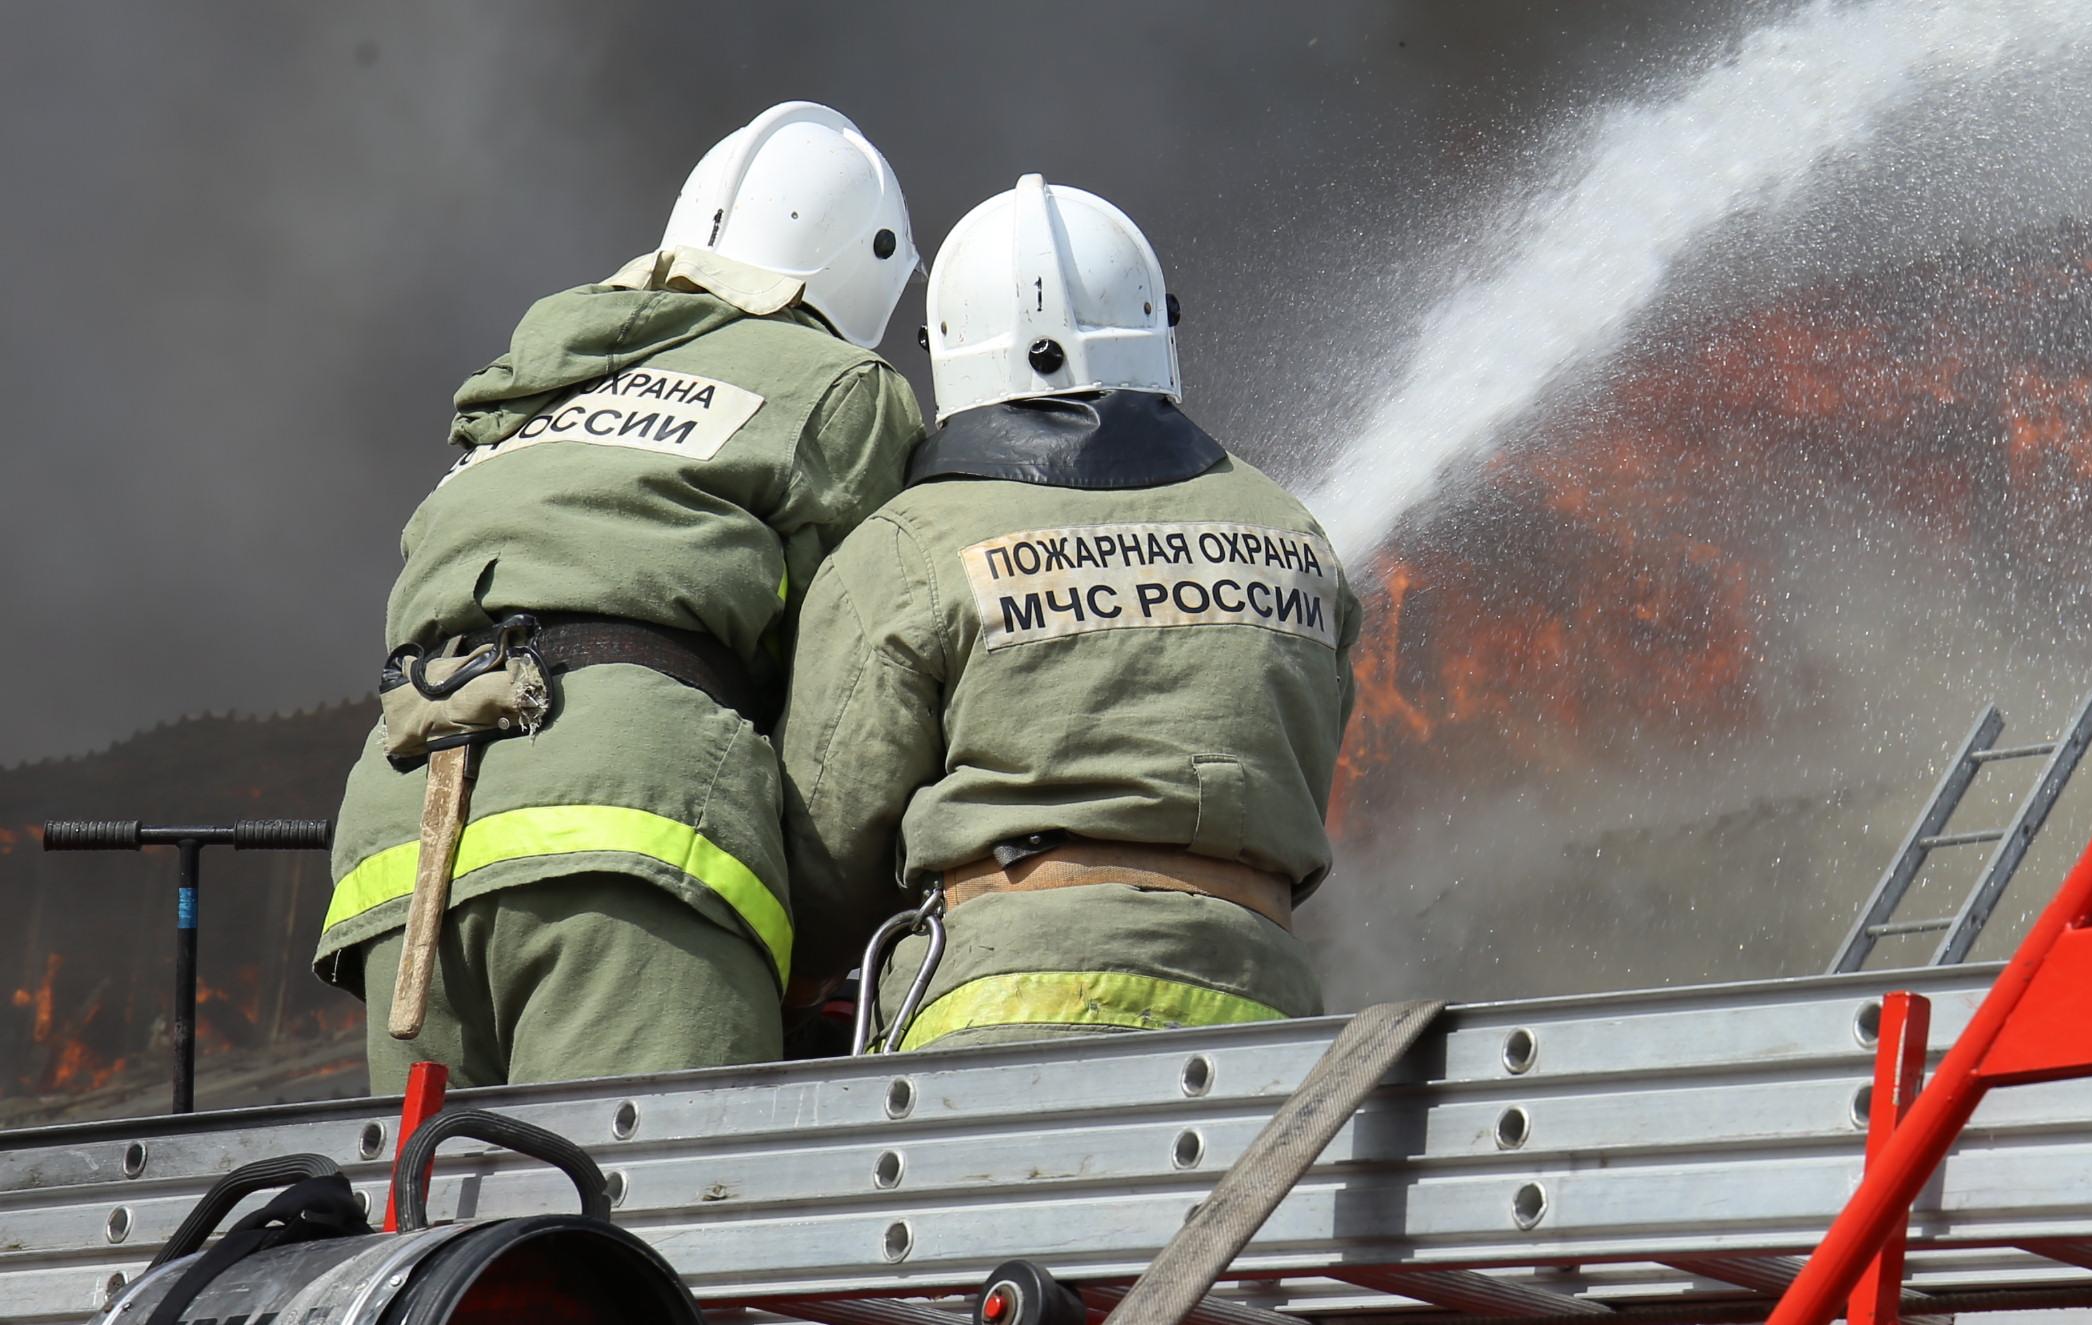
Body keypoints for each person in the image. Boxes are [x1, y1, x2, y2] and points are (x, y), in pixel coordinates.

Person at [320, 102, 928, 1088]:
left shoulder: (532, 386)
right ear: (867, 267)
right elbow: (858, 675)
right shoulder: (838, 384)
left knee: (440, 1231)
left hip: (402, 835)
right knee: (651, 1229)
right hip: (629, 830)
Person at [782, 176, 1355, 1052]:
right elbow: (1296, 775)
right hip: (1259, 1018)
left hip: (993, 1017)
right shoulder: (1290, 529)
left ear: (948, 353)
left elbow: (825, 858)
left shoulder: (906, 545)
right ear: (1158, 328)